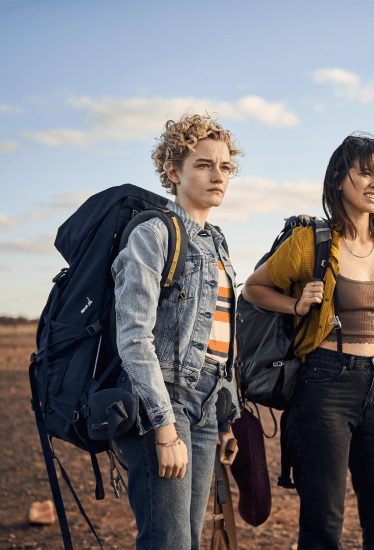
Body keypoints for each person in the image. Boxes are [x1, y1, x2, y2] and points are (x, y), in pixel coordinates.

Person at [243, 134, 374, 549]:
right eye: (365, 172)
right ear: (340, 178)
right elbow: (253, 289)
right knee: (323, 523)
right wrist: (296, 304)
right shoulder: (311, 242)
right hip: (325, 385)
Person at [111, 114, 242, 550]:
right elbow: (133, 335)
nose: (218, 176)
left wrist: (226, 417)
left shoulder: (217, 242)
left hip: (206, 406)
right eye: (204, 165)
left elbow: (221, 339)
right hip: (164, 402)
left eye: (225, 167)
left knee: (187, 538)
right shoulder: (154, 234)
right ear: (173, 172)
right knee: (169, 541)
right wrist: (164, 427)